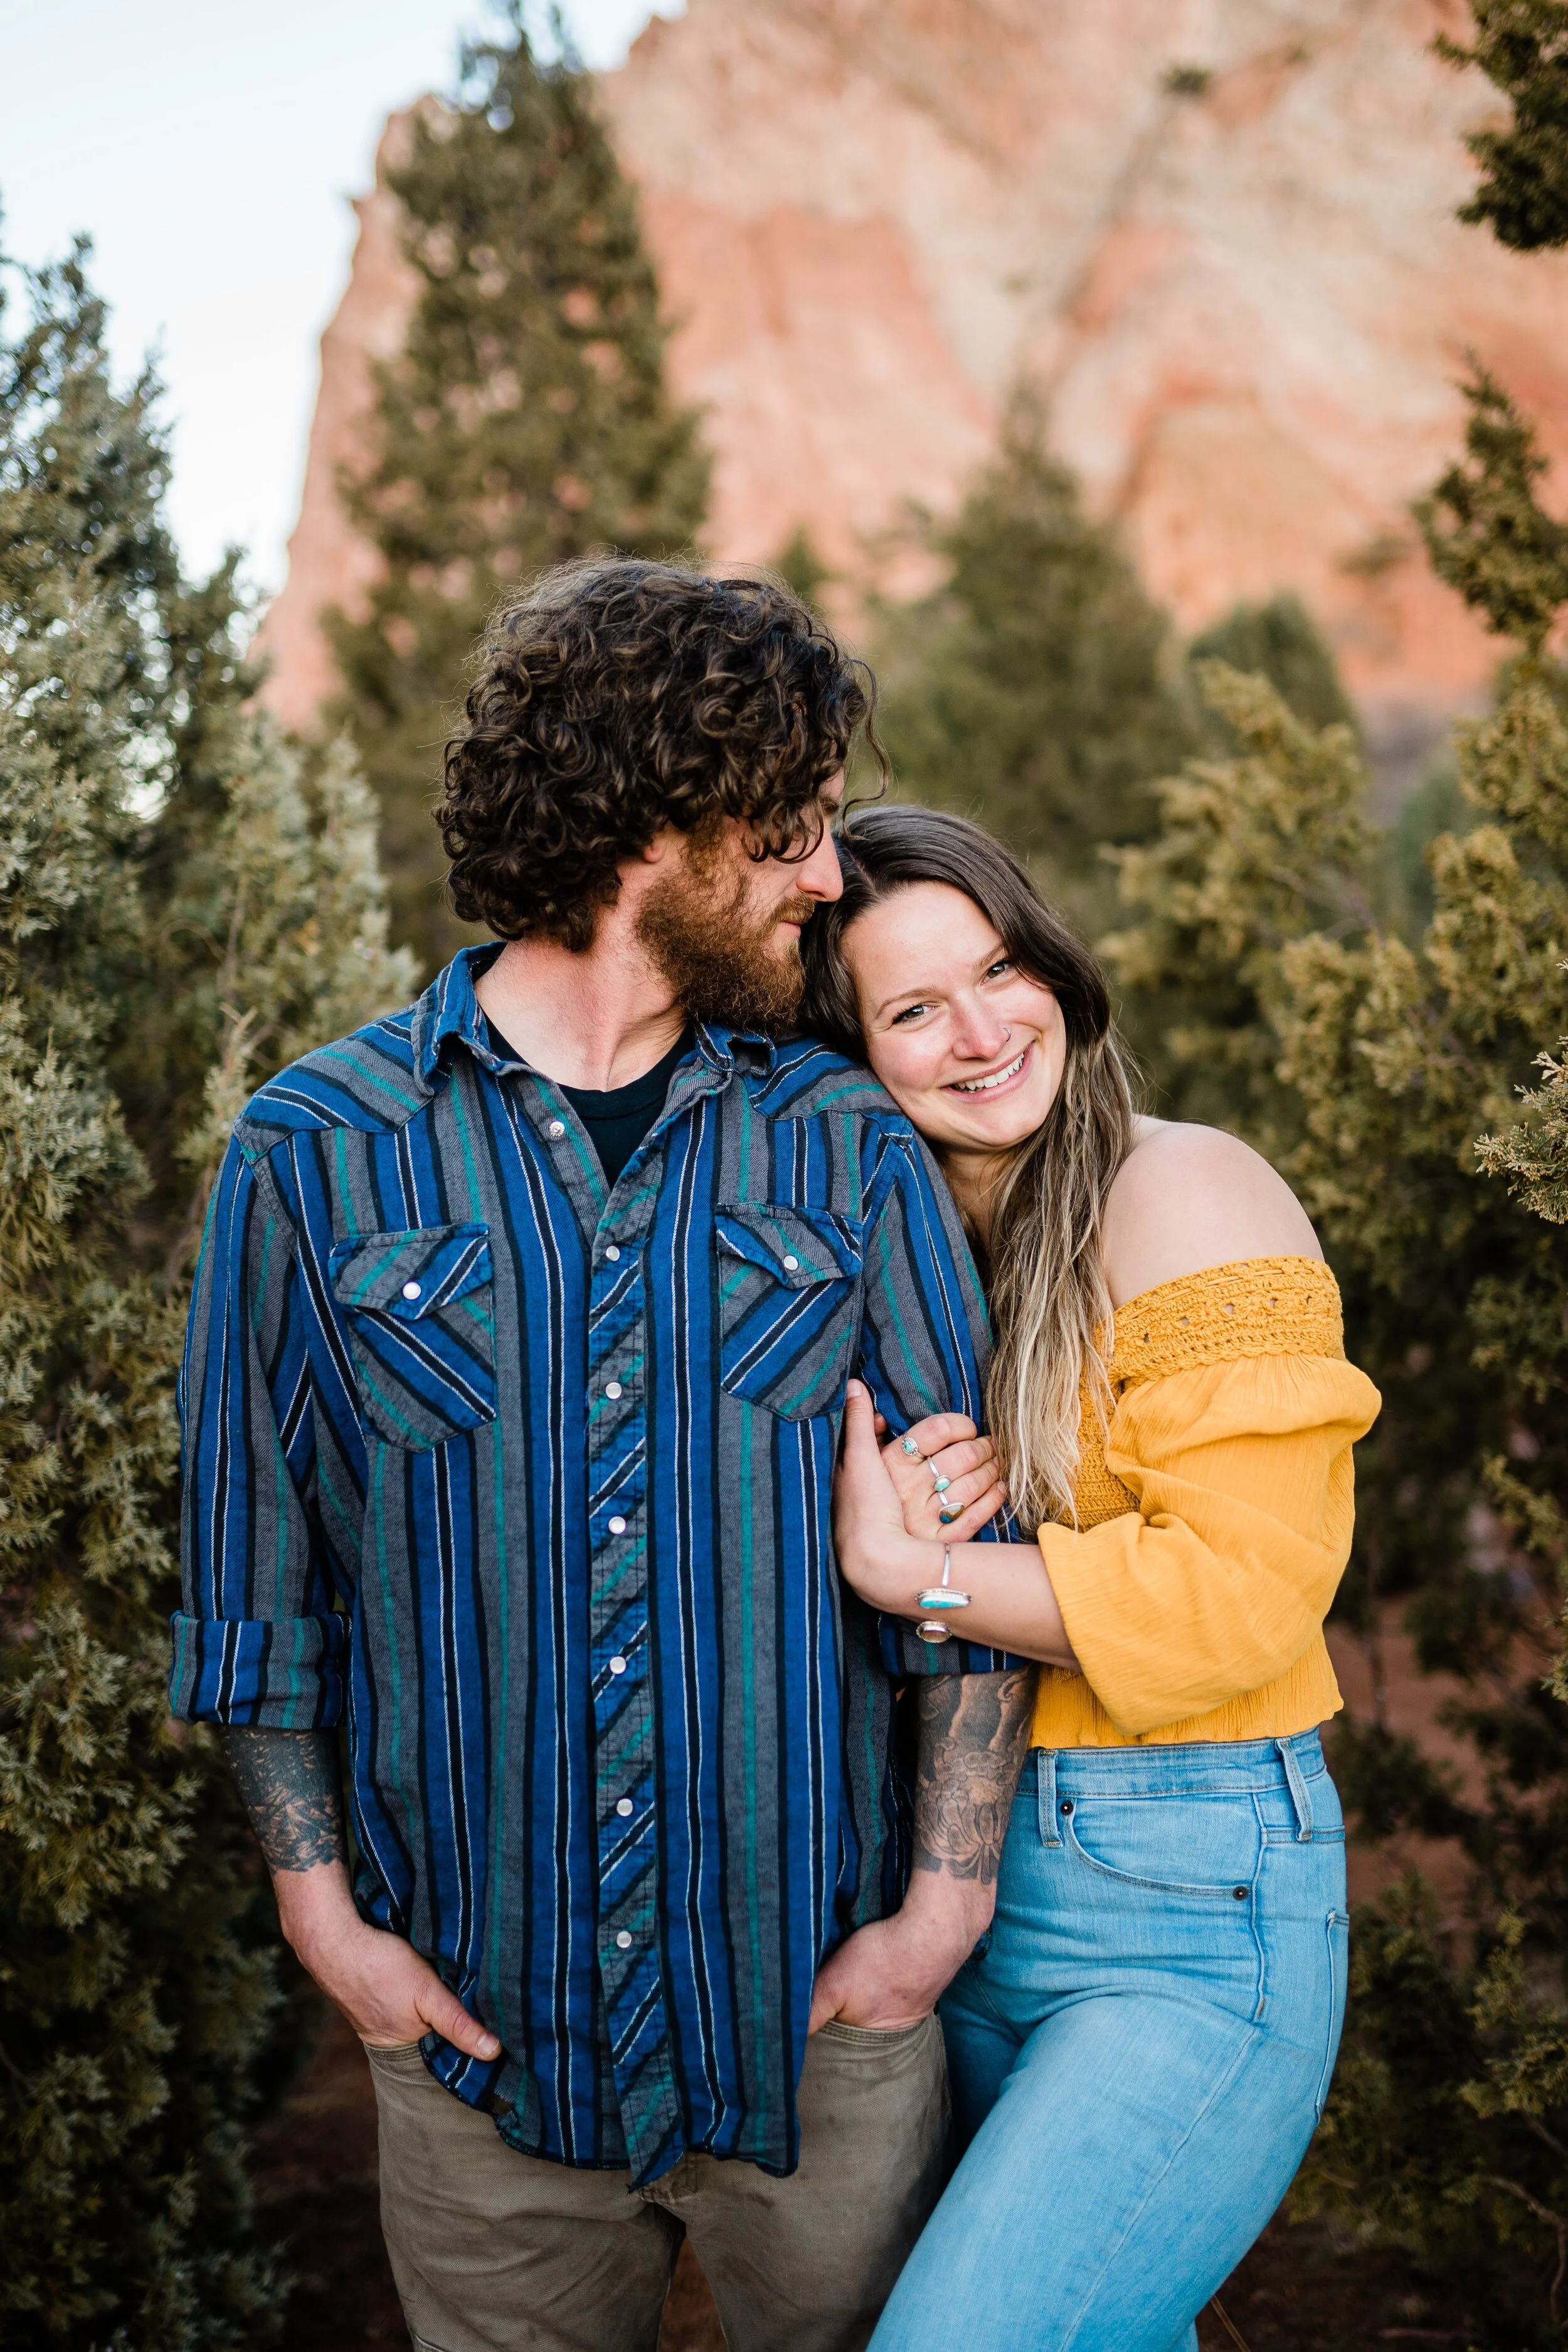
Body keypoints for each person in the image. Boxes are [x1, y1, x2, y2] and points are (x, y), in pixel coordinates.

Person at [170, 563, 1033, 2352]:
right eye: (791, 826)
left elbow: (959, 1562)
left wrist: (936, 1916)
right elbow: (257, 1584)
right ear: (664, 820)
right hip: (481, 2059)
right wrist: (329, 1926)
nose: (822, 871)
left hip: (821, 2034)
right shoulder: (310, 1155)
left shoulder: (843, 1149)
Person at [800, 805, 1382, 2352]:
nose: (983, 1033)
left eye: (999, 970)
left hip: (1183, 1899)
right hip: (961, 1892)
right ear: (846, 1052)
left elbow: (1240, 1595)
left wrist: (912, 1575)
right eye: (912, 1009)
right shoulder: (899, 1255)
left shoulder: (1178, 1193)